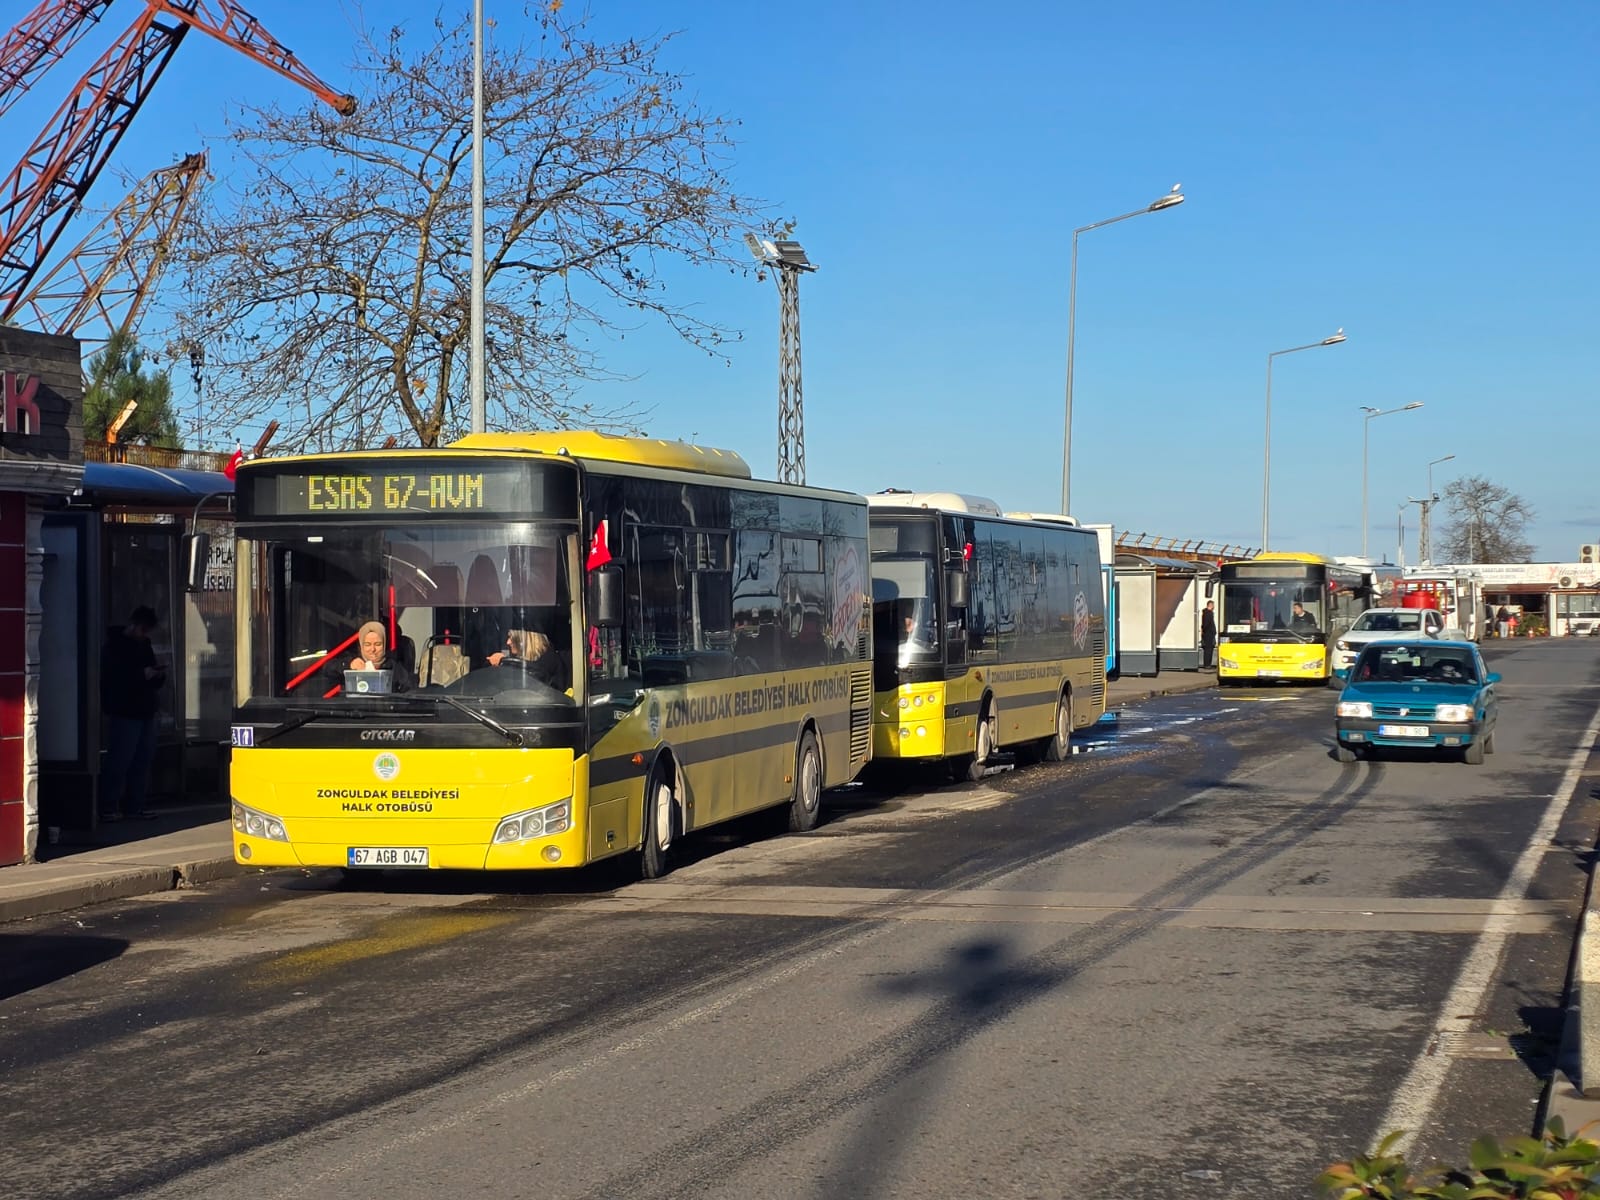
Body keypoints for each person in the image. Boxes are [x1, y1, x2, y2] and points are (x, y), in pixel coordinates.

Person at [100, 605, 165, 822]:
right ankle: (109, 805)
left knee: (142, 760)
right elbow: (113, 679)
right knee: (120, 760)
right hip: (125, 710)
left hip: (145, 708)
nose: (144, 635)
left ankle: (134, 806)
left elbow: (149, 671)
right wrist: (142, 675)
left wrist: (156, 675)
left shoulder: (144, 645)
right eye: (143, 630)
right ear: (135, 625)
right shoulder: (114, 646)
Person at [347, 621, 414, 691]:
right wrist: (349, 665)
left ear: (384, 645)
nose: (373, 649)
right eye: (367, 644)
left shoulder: (394, 667)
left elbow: (408, 688)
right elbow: (335, 670)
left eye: (378, 644)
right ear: (361, 646)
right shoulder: (352, 661)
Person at [1200, 600, 1217, 669]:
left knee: (1210, 649)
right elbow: (1206, 624)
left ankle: (1208, 664)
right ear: (1210, 605)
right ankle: (1207, 664)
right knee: (1208, 650)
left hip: (1209, 634)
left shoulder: (1207, 613)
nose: (1214, 606)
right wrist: (1206, 631)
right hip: (1208, 634)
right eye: (1213, 605)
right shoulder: (1208, 613)